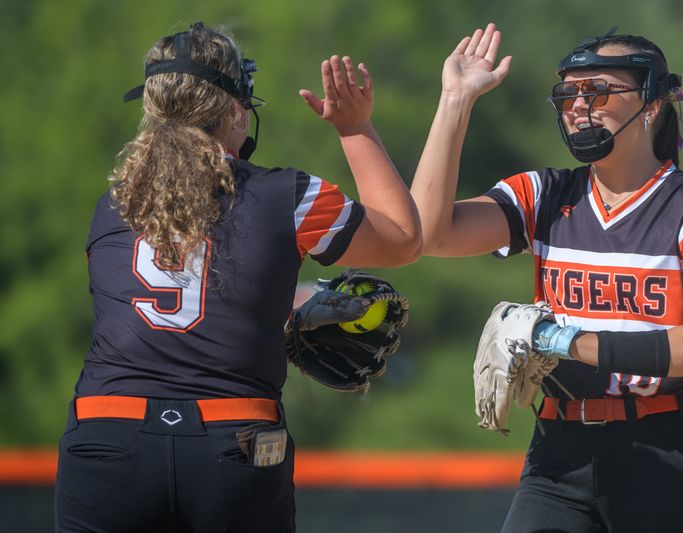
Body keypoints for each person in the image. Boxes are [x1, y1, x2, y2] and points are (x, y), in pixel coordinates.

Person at [54, 22, 420, 533]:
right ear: (233, 110)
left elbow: (169, 305)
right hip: (231, 437)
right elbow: (403, 238)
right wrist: (355, 128)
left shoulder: (111, 205)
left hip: (107, 433)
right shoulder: (289, 195)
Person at [411, 23, 683, 533]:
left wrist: (562, 341)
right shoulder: (544, 193)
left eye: (596, 91)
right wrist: (455, 102)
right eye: (567, 93)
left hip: (662, 452)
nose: (576, 104)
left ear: (653, 102)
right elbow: (429, 233)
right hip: (556, 454)